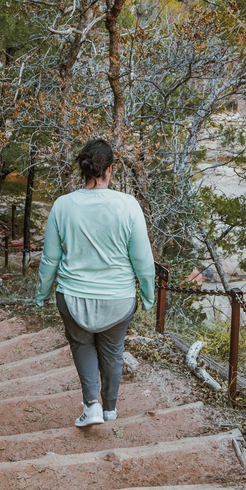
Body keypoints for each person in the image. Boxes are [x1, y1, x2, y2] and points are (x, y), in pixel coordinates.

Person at [35, 139, 155, 427]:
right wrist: (148, 296)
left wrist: (42, 294)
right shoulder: (128, 205)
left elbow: (50, 259)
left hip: (73, 297)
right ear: (110, 169)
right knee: (113, 350)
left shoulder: (63, 206)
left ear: (83, 170)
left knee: (82, 345)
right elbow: (143, 261)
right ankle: (111, 409)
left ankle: (92, 407)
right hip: (119, 298)